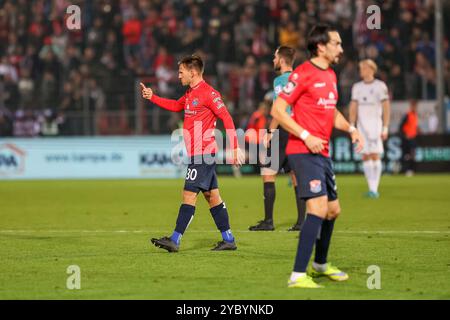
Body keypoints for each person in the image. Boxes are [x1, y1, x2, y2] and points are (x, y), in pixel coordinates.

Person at [271, 24, 364, 288]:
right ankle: (298, 275)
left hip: (322, 152)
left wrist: (351, 129)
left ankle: (320, 264)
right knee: (318, 208)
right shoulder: (302, 74)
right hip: (303, 151)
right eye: (337, 43)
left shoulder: (332, 76)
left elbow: (331, 111)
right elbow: (278, 111)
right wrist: (305, 135)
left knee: (333, 211)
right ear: (321, 46)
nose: (341, 49)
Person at [140, 54, 244, 252]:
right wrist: (152, 97)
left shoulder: (209, 93)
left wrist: (235, 146)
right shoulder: (189, 93)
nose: (178, 76)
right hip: (198, 154)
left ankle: (175, 239)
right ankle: (228, 239)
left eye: (181, 72)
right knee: (213, 197)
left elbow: (227, 118)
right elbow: (175, 106)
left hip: (203, 154)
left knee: (188, 195)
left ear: (193, 72)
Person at [249, 46, 306, 232]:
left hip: (282, 131)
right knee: (296, 176)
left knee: (268, 173)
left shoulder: (279, 81)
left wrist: (270, 132)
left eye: (274, 57)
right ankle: (301, 222)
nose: (273, 60)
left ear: (281, 60)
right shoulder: (301, 79)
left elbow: (278, 111)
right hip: (298, 130)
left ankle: (268, 221)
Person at [349, 59, 391, 198]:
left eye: (364, 68)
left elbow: (386, 108)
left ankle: (375, 188)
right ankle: (371, 188)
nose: (361, 70)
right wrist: (352, 126)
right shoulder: (357, 87)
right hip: (362, 125)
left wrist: (385, 127)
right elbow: (353, 107)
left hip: (375, 124)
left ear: (371, 69)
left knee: (375, 154)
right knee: (365, 155)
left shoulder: (380, 86)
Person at [399, 99, 419, 176]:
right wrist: (405, 135)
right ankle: (406, 170)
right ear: (411, 106)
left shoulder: (415, 115)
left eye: (415, 106)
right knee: (406, 155)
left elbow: (413, 126)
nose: (415, 107)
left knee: (413, 155)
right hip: (407, 139)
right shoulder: (407, 115)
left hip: (413, 138)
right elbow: (400, 127)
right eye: (413, 106)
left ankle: (411, 170)